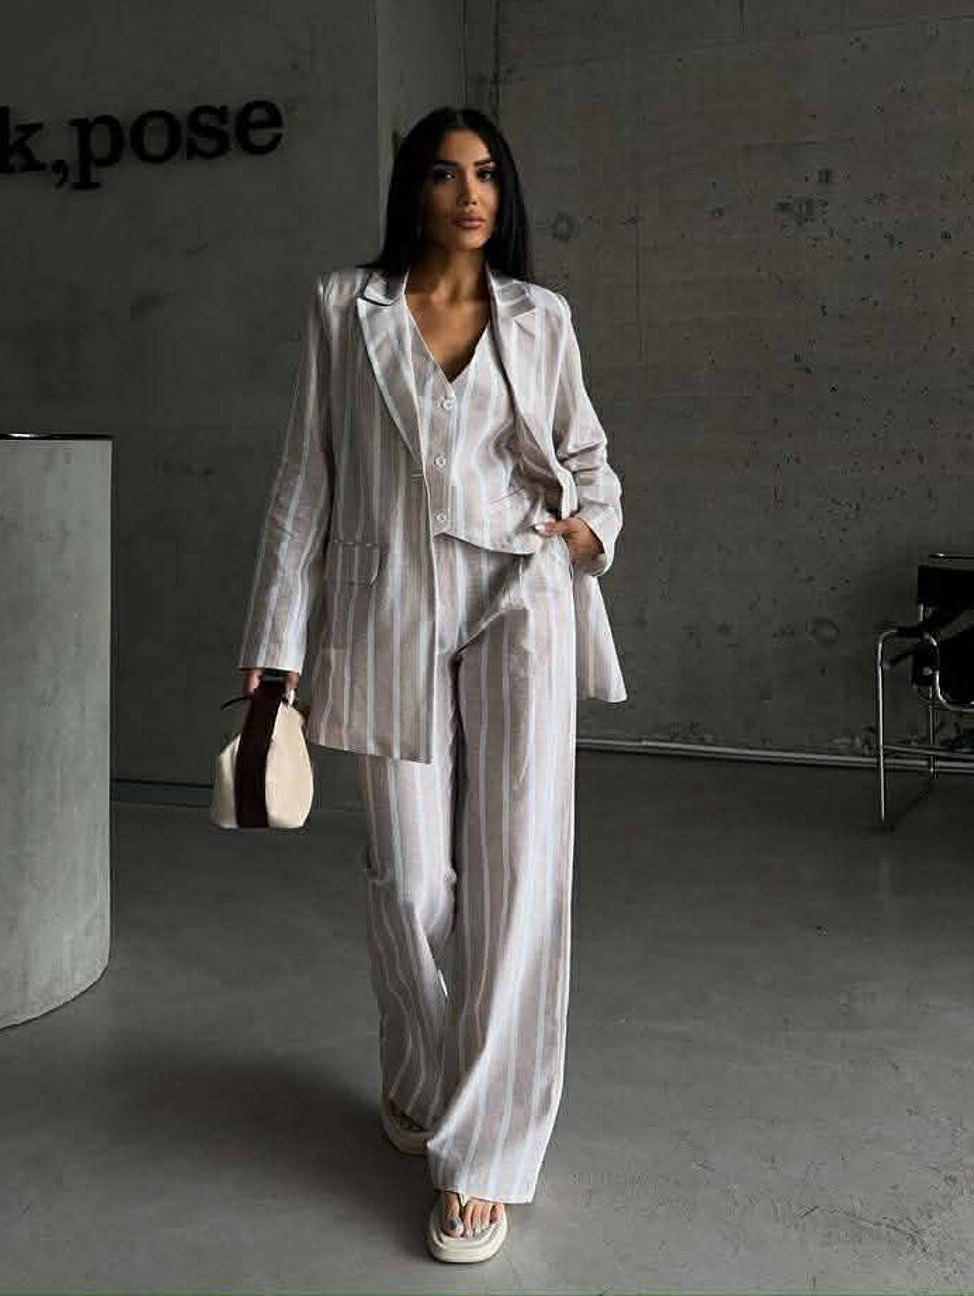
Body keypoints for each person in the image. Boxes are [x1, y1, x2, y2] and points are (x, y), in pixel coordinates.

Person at [237, 105, 626, 1264]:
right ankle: (419, 1070)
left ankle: (484, 1158)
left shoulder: (541, 317)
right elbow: (305, 478)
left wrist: (587, 533)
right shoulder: (342, 308)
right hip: (388, 608)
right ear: (414, 187)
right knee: (409, 878)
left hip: (522, 600)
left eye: (489, 174)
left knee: (519, 876)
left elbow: (590, 457)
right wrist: (274, 644)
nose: (472, 195)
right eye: (449, 174)